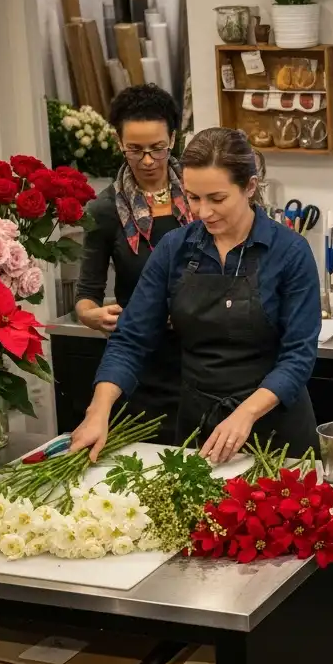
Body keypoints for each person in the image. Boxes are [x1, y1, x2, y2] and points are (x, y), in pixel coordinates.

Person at [69, 127, 321, 463]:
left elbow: (298, 356)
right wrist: (98, 410)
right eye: (193, 197)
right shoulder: (175, 249)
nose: (203, 213)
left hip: (276, 434)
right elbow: (131, 339)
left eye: (217, 199)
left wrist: (246, 415)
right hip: (197, 427)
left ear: (249, 187)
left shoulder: (289, 251)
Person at [74, 85, 190, 439]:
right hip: (142, 365)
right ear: (118, 141)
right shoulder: (105, 210)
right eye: (135, 150)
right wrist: (93, 316)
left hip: (203, 360)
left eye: (158, 148)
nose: (148, 161)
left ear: (173, 137)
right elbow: (86, 296)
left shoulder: (201, 198)